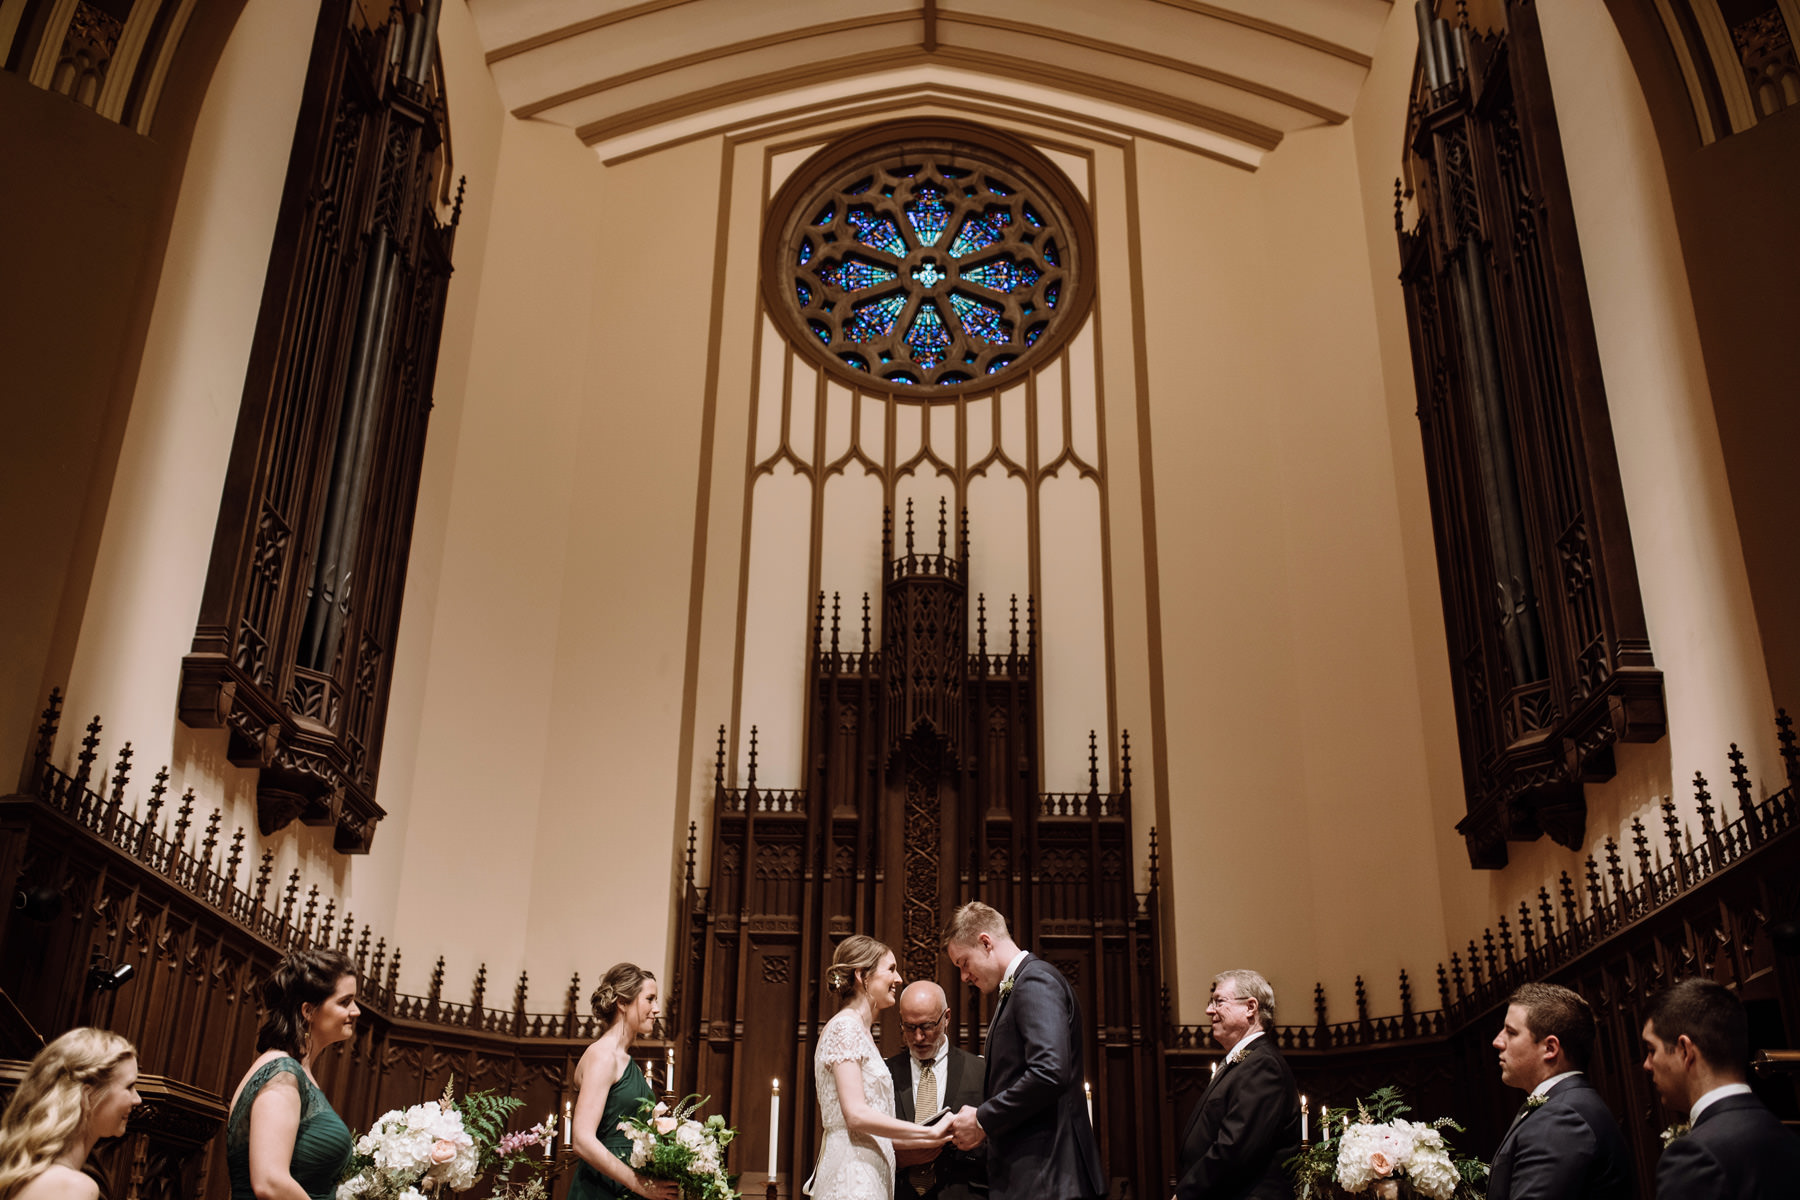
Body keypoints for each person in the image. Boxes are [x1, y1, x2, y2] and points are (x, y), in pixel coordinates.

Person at [942, 902, 1104, 1200]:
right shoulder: (1020, 986)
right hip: (1035, 1176)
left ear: (986, 942)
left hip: (1049, 1176)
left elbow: (1049, 1071)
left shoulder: (1035, 981)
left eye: (964, 963)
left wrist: (982, 1119)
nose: (964, 977)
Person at [811, 936, 952, 1200]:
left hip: (872, 1174)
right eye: (891, 969)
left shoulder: (862, 1033)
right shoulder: (845, 1027)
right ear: (862, 975)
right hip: (853, 1176)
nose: (898, 979)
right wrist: (926, 1132)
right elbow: (855, 1114)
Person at [1640, 977, 1800, 1199]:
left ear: (1685, 1050)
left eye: (1651, 1049)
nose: (1647, 1065)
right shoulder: (1788, 1138)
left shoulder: (1695, 1157)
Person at [225, 947, 359, 1200]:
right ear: (308, 1010)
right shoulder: (281, 1072)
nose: (356, 1011)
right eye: (344, 1002)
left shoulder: (296, 1072)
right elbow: (270, 1181)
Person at [1486, 982, 1631, 1200]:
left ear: (1550, 1048)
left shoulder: (1561, 1118)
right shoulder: (1565, 1105)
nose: (1497, 1042)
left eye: (1511, 1032)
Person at [1173, 970, 1300, 1200]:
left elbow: (1234, 1149)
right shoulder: (1246, 1061)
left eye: (1218, 1001)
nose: (1209, 1010)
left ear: (1251, 1007)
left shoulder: (1263, 1066)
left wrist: (1185, 1194)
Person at [567, 964, 682, 1200]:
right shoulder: (603, 1056)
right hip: (601, 1190)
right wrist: (640, 1185)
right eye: (649, 999)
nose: (657, 1009)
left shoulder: (626, 1061)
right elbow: (581, 1139)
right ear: (622, 1003)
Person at [0, 1028, 140, 1200]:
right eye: (129, 1086)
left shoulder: (23, 1172)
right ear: (88, 1096)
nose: (137, 1100)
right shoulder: (71, 1187)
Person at [885, 981, 987, 1200]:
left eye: (928, 1026)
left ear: (947, 1018)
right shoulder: (884, 1073)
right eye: (909, 1027)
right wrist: (899, 1159)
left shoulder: (982, 1070)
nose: (918, 1037)